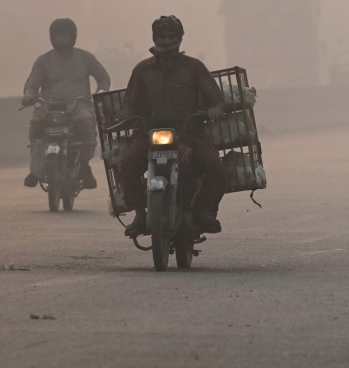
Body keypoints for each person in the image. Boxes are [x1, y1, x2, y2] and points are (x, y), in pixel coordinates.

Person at [117, 16, 228, 238]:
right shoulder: (142, 70)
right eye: (161, 37)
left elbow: (215, 98)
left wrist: (215, 108)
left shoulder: (194, 67)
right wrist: (127, 116)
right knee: (126, 166)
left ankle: (204, 211)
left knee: (216, 168)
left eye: (171, 36)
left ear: (179, 38)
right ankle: (140, 214)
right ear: (154, 38)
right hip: (149, 134)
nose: (166, 41)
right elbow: (128, 103)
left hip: (190, 132)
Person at [22, 18, 110, 189]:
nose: (61, 39)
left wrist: (101, 93)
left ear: (73, 37)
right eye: (57, 36)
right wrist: (28, 96)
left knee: (85, 121)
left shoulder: (86, 58)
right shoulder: (43, 61)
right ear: (52, 38)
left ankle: (84, 167)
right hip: (49, 107)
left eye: (65, 35)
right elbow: (32, 85)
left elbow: (103, 78)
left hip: (79, 106)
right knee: (36, 124)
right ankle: (36, 169)